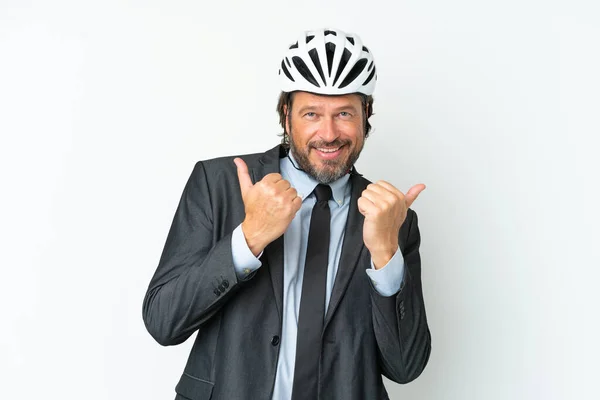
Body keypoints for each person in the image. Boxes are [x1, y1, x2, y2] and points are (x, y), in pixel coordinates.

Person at [143, 28, 431, 400]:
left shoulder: (392, 219)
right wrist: (248, 239)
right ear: (286, 114)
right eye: (311, 113)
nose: (328, 134)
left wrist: (385, 255)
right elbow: (163, 322)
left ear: (365, 115)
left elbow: (405, 368)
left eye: (344, 113)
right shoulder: (219, 185)